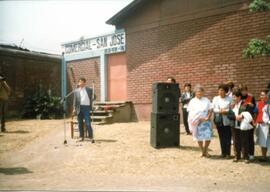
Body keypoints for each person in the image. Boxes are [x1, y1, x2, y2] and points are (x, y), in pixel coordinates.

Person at [187, 85, 213, 157]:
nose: (199, 93)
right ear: (195, 93)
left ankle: (206, 150)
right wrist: (197, 118)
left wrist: (208, 117)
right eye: (198, 92)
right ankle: (202, 151)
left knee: (208, 136)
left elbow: (211, 109)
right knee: (199, 137)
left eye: (201, 92)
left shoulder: (206, 100)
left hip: (206, 121)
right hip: (197, 122)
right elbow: (190, 112)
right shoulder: (192, 101)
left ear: (203, 92)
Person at [231, 88, 254, 163]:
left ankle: (245, 157)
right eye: (233, 97)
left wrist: (242, 116)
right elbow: (229, 114)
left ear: (239, 97)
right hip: (234, 125)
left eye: (235, 97)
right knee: (236, 141)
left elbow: (250, 112)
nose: (233, 98)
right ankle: (237, 156)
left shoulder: (245, 104)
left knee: (245, 141)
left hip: (243, 125)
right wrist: (235, 117)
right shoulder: (232, 105)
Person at [212, 84, 233, 158]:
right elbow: (214, 109)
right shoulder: (215, 98)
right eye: (219, 90)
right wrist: (220, 111)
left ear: (226, 91)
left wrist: (226, 111)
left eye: (222, 90)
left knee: (228, 137)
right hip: (219, 120)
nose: (220, 92)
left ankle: (228, 153)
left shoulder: (230, 99)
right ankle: (223, 152)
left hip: (227, 120)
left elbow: (232, 108)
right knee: (221, 137)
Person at [73, 77, 95, 142]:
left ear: (84, 83)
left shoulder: (89, 90)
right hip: (79, 108)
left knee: (88, 123)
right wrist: (74, 108)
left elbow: (94, 96)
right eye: (79, 82)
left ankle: (91, 137)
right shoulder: (76, 91)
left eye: (81, 82)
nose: (80, 83)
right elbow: (75, 100)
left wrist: (93, 97)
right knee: (80, 123)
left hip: (86, 108)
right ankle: (81, 137)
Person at [238, 84, 256, 161]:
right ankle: (244, 153)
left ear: (247, 90)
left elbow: (255, 109)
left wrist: (252, 106)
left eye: (245, 90)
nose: (243, 92)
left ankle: (251, 154)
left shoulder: (251, 97)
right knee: (242, 138)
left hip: (249, 120)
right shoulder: (238, 98)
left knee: (250, 137)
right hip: (241, 120)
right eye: (242, 90)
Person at [255, 90, 270, 162]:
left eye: (263, 95)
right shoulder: (259, 103)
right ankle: (264, 157)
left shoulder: (269, 104)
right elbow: (255, 112)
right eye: (261, 95)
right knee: (262, 141)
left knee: (268, 141)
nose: (262, 96)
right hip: (260, 124)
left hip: (267, 124)